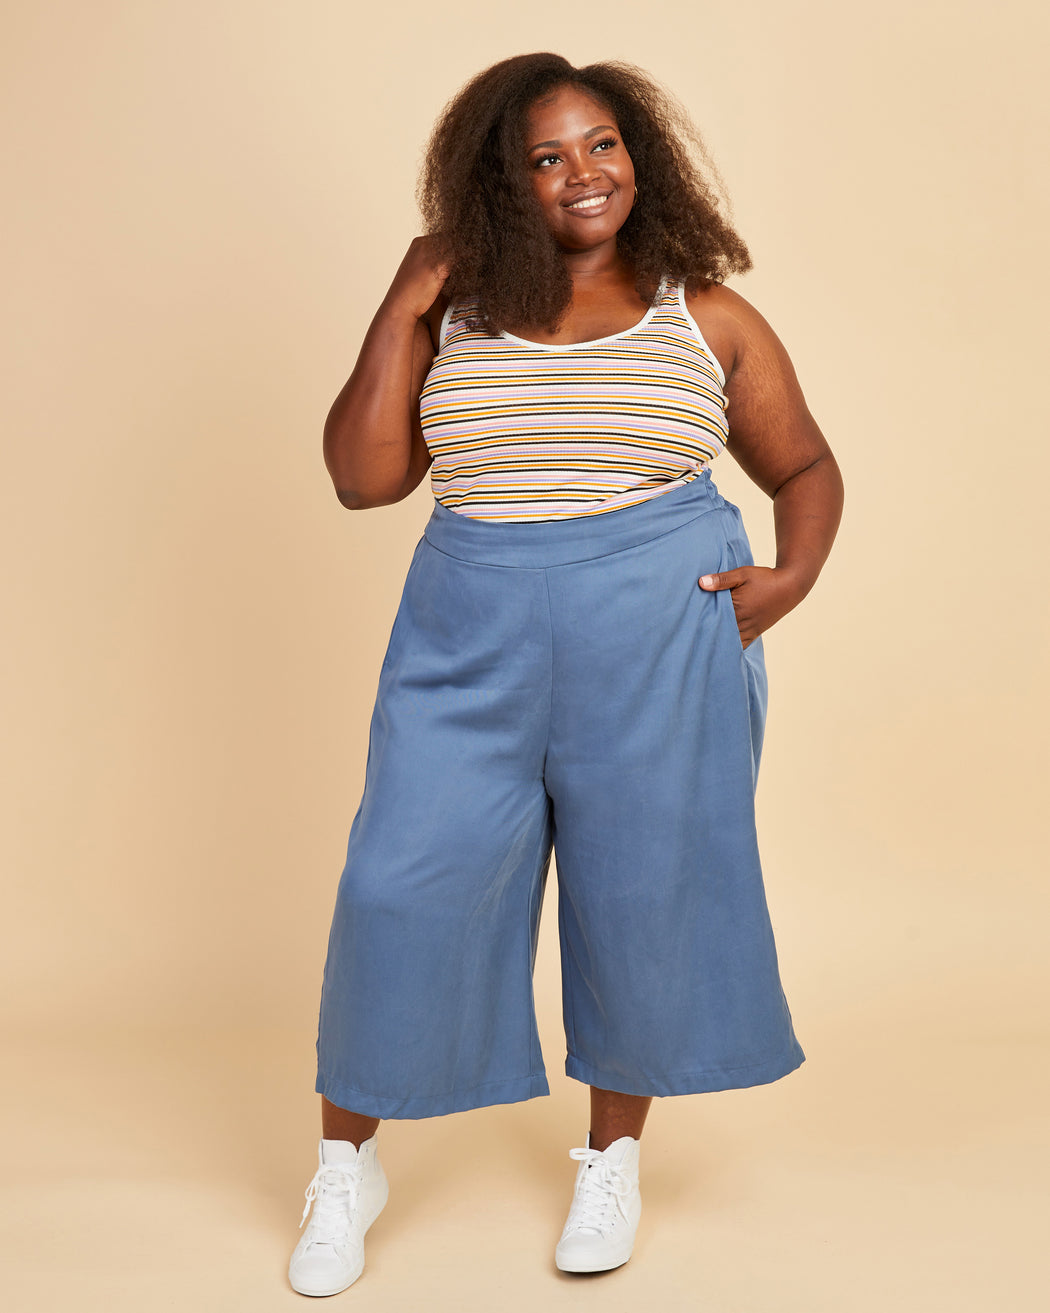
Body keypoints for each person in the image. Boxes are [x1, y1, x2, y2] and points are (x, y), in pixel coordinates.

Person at [288, 52, 843, 1297]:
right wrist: (403, 296)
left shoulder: (707, 316)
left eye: (601, 144)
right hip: (467, 639)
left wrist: (790, 577)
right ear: (501, 183)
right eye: (545, 156)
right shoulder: (458, 312)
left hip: (655, 642)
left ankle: (611, 1160)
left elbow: (806, 468)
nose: (581, 174)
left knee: (640, 893)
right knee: (398, 883)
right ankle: (345, 1166)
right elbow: (363, 477)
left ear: (639, 155)